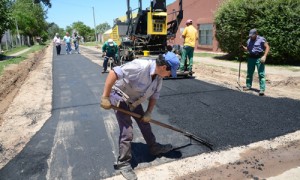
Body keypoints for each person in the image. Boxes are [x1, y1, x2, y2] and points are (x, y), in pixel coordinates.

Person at [100, 54, 180, 180]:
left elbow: (155, 95)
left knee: (144, 123)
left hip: (134, 100)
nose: (170, 75)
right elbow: (113, 73)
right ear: (164, 67)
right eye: (171, 72)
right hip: (120, 97)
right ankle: (123, 163)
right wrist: (105, 97)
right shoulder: (140, 66)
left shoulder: (158, 77)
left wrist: (148, 112)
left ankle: (153, 147)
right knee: (127, 130)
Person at [241, 28, 270, 96]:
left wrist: (265, 56)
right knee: (249, 73)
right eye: (250, 35)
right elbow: (248, 49)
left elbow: (267, 47)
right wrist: (243, 48)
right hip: (251, 58)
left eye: (252, 35)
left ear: (256, 34)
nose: (251, 37)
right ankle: (248, 86)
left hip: (259, 58)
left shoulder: (261, 39)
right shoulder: (249, 40)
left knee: (261, 74)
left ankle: (262, 89)